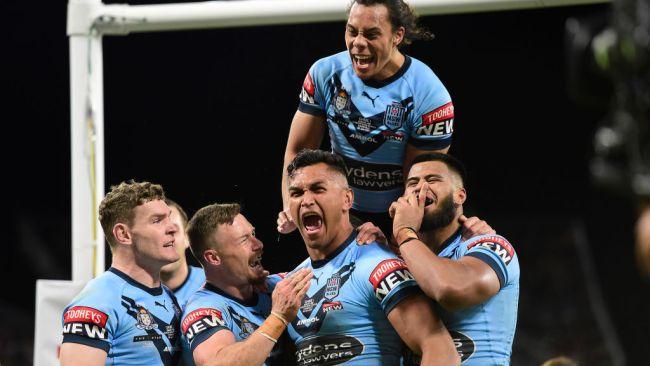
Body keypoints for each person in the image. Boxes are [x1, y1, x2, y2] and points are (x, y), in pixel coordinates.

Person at [279, 0, 454, 237]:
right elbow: (299, 151)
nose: (358, 43)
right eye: (352, 31)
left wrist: (398, 235)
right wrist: (292, 205)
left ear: (397, 35)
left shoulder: (428, 94)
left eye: (372, 34)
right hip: (339, 211)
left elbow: (419, 184)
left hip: (401, 213)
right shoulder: (325, 73)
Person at [284, 149, 459, 365]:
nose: (306, 200)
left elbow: (441, 351)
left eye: (318, 189)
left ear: (347, 199)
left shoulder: (380, 267)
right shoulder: (286, 284)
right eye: (297, 193)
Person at [389, 152, 519, 364]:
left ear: (460, 196)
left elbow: (450, 289)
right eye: (412, 182)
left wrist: (404, 232)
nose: (420, 188)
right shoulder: (396, 258)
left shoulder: (491, 246)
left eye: (432, 180)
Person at [59, 181, 183, 365]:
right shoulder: (96, 302)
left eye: (169, 217)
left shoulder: (168, 296)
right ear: (123, 234)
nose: (173, 228)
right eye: (157, 220)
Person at [180, 203, 312, 366]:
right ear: (214, 258)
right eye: (244, 240)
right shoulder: (203, 309)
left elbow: (330, 265)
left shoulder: (274, 287)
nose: (258, 244)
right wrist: (278, 317)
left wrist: (353, 233)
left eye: (253, 233)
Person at [161, 198, 206, 309]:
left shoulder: (217, 285)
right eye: (157, 232)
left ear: (187, 238)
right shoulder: (127, 297)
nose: (166, 240)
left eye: (172, 231)